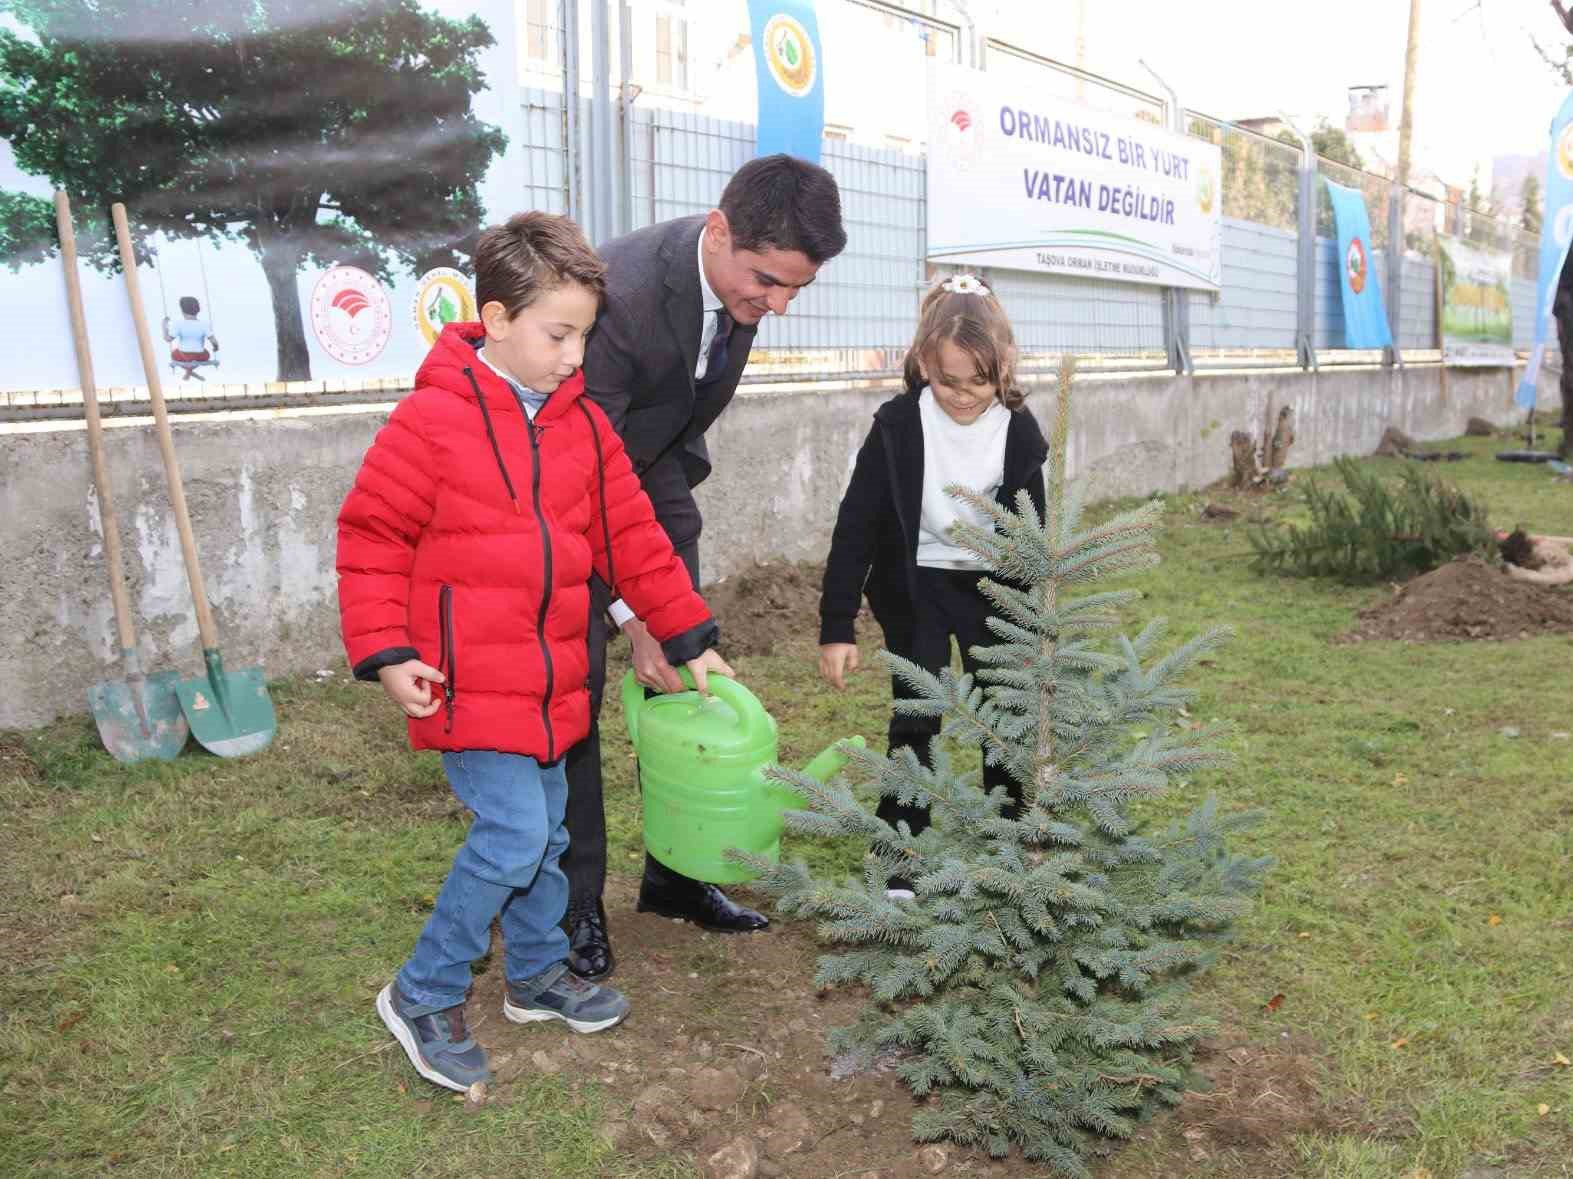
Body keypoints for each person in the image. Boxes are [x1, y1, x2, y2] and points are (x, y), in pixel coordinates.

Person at [336, 211, 734, 1093]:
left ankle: (534, 974)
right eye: (560, 335)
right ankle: (424, 989)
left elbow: (634, 535)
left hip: (553, 679)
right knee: (515, 831)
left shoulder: (583, 425)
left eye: (585, 337)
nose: (574, 357)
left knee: (548, 832)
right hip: (469, 680)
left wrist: (687, 632)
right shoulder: (431, 420)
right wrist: (386, 648)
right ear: (498, 316)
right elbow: (371, 534)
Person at [560, 154, 848, 979]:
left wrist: (668, 585)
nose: (779, 306)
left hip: (652, 486)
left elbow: (672, 425)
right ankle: (575, 906)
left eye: (797, 289)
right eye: (769, 282)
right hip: (563, 506)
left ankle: (675, 875)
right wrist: (627, 610)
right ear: (718, 231)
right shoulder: (622, 298)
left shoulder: (740, 285)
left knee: (679, 681)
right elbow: (582, 467)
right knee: (572, 704)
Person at [815, 275, 1047, 887]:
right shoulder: (897, 425)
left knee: (1002, 719)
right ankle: (899, 861)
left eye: (980, 382)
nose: (964, 397)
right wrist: (836, 626)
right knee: (917, 716)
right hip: (914, 588)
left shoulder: (1017, 431)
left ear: (1004, 367)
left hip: (992, 593)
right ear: (923, 362)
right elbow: (855, 526)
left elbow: (1034, 535)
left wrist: (1036, 619)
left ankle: (1010, 850)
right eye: (948, 381)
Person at [162, 295, 219, 382]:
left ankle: (189, 372)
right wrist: (216, 347)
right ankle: (190, 372)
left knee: (174, 355)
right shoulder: (204, 324)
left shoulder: (178, 324)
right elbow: (213, 341)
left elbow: (168, 339)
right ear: (197, 310)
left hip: (183, 355)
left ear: (182, 311)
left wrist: (164, 327)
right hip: (200, 355)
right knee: (205, 355)